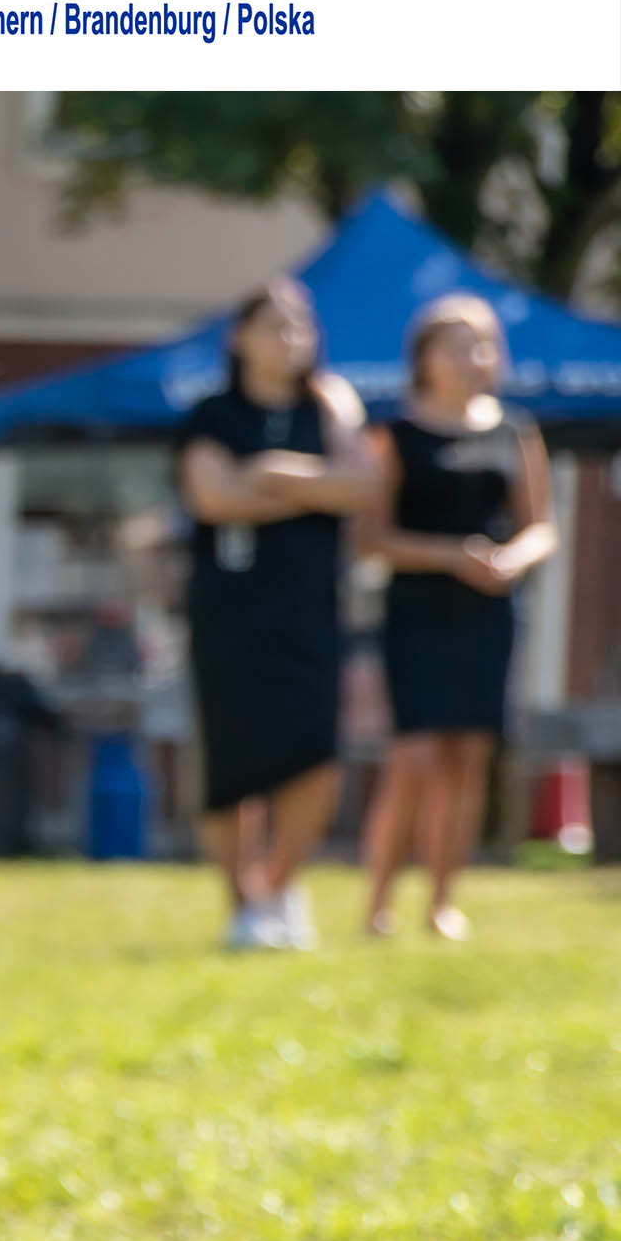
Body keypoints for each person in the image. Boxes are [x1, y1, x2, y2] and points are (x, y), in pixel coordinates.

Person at [175, 280, 371, 952]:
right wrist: (314, 493)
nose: (291, 339)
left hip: (311, 610)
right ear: (240, 338)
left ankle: (280, 885)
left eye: (301, 326)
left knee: (314, 755)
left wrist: (272, 474)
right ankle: (243, 905)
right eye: (275, 326)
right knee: (233, 761)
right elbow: (214, 499)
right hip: (230, 613)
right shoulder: (213, 415)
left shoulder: (331, 403)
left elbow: (360, 485)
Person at [358, 293, 554, 941]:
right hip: (418, 609)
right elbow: (369, 536)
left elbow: (541, 527)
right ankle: (379, 903)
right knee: (413, 756)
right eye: (455, 345)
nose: (470, 357)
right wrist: (450, 554)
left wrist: (510, 560)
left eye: (481, 344)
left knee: (468, 757)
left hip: (487, 611)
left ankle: (442, 902)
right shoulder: (396, 435)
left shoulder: (514, 430)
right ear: (424, 358)